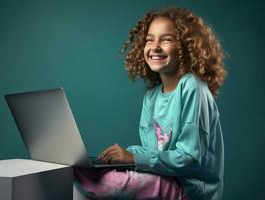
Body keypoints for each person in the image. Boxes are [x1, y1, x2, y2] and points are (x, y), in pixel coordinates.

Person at [74, 7, 226, 200]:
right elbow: (152, 151)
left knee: (108, 183)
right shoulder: (152, 96)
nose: (155, 46)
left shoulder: (192, 87)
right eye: (149, 40)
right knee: (82, 171)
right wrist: (123, 155)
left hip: (190, 189)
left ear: (187, 47)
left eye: (167, 39)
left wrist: (134, 158)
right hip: (164, 178)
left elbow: (189, 158)